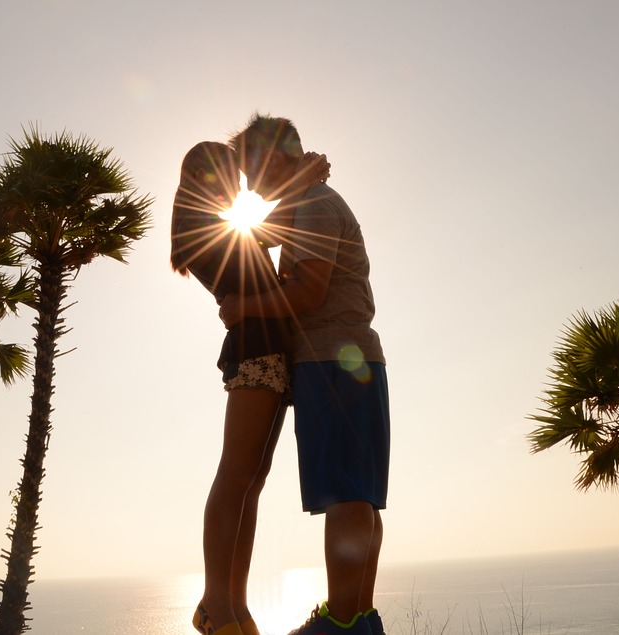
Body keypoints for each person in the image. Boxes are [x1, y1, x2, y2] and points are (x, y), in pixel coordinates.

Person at [221, 115, 390, 635]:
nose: (248, 185)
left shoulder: (315, 205)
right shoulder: (308, 200)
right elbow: (260, 231)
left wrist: (242, 308)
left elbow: (309, 292)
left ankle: (341, 622)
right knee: (357, 492)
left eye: (252, 170)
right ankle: (357, 617)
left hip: (331, 360)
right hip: (346, 360)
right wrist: (301, 176)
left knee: (346, 493)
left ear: (273, 158)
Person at [171, 141, 329, 635]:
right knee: (236, 478)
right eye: (227, 179)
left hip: (270, 357)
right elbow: (272, 233)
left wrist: (299, 184)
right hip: (255, 356)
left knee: (251, 485)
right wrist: (301, 183)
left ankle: (234, 607)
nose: (236, 190)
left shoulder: (219, 226)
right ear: (203, 176)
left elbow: (265, 236)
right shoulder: (199, 227)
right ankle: (217, 606)